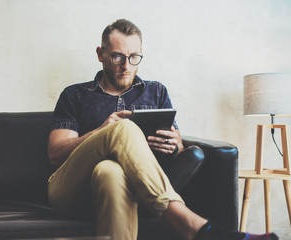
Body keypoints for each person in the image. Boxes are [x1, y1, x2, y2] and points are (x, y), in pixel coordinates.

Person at [47, 19, 278, 240]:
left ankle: (193, 227)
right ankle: (190, 224)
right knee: (123, 129)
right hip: (70, 190)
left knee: (111, 172)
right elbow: (55, 153)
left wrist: (175, 144)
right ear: (100, 54)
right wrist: (101, 132)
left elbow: (177, 149)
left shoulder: (156, 92)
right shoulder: (75, 95)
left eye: (134, 57)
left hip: (125, 187)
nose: (126, 66)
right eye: (117, 56)